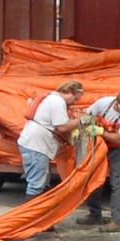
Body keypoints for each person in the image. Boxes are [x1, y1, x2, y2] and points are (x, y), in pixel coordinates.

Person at [16, 78, 84, 211]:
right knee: (36, 185)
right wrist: (82, 121)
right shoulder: (57, 101)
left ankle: (42, 219)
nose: (74, 103)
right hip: (36, 146)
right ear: (70, 92)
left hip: (32, 144)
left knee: (42, 183)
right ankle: (29, 221)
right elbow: (63, 127)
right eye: (75, 99)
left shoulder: (51, 99)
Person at [83, 89, 120, 232]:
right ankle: (95, 215)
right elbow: (87, 116)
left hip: (117, 148)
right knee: (94, 177)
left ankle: (117, 222)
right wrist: (83, 127)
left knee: (116, 181)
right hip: (98, 145)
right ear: (116, 104)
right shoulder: (103, 103)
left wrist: (101, 132)